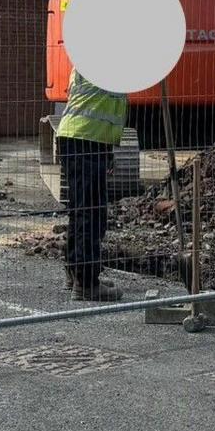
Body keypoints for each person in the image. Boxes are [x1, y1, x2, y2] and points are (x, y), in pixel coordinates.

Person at [55, 69, 127, 302]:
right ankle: (86, 283)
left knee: (82, 211)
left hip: (86, 137)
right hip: (85, 139)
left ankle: (77, 272)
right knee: (91, 213)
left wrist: (106, 150)